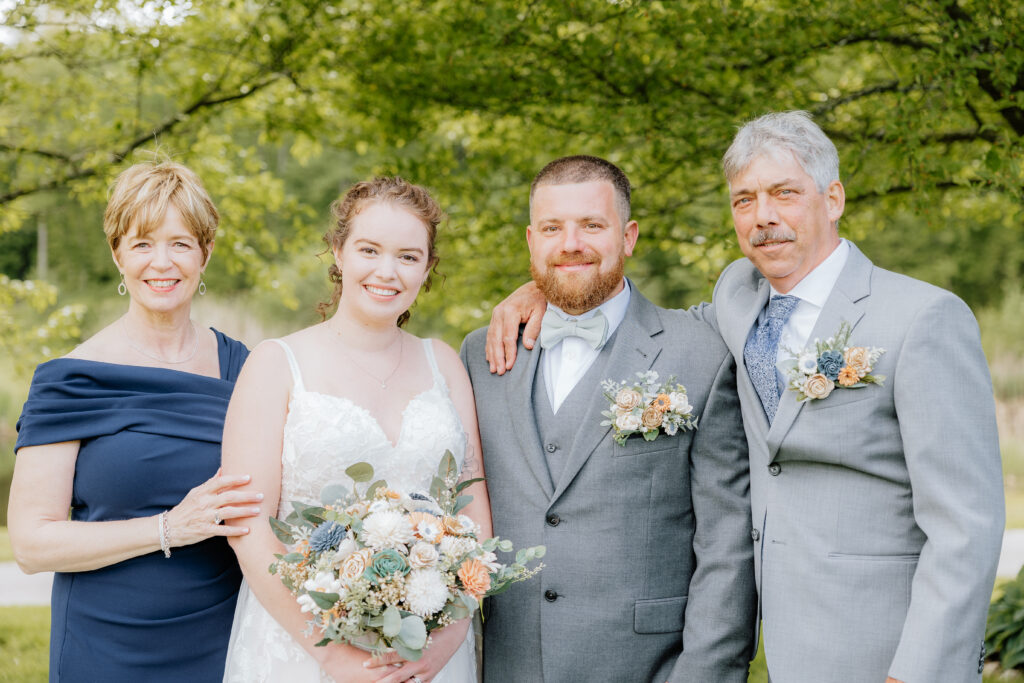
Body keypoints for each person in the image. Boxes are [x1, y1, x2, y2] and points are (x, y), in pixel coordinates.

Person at [485, 113, 1005, 683]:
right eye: (744, 200)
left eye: (785, 194)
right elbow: (636, 328)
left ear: (833, 199)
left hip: (888, 646)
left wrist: (920, 672)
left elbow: (966, 527)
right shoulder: (737, 298)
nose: (764, 217)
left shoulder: (922, 318)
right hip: (786, 645)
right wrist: (546, 285)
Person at [459, 155, 756, 683]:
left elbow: (726, 545)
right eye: (553, 228)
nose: (571, 243)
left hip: (647, 669)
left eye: (592, 225)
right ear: (531, 241)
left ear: (628, 236)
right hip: (508, 665)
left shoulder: (700, 355)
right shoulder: (481, 357)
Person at [220, 176, 491, 683]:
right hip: (303, 648)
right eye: (369, 249)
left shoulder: (444, 363)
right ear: (339, 252)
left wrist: (447, 641)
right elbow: (247, 527)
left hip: (430, 653)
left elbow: (473, 511)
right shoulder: (276, 364)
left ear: (427, 268)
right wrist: (330, 655)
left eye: (409, 257)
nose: (387, 271)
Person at [9, 160, 262, 682]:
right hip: (106, 645)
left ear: (206, 253)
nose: (161, 262)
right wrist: (171, 526)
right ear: (117, 254)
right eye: (142, 243)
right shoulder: (71, 380)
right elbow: (31, 545)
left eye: (181, 243)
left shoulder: (246, 368)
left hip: (224, 637)